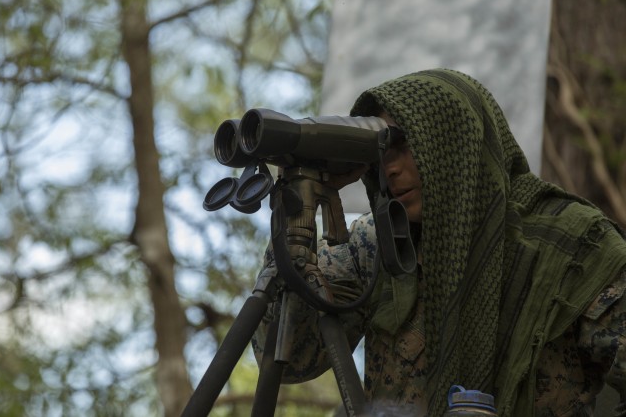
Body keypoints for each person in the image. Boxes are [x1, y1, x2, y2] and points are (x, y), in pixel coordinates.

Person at [251, 69, 626, 416]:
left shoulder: (574, 243)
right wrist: (296, 210)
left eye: (404, 144)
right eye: (382, 151)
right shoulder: (377, 245)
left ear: (455, 142)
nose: (391, 168)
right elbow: (294, 358)